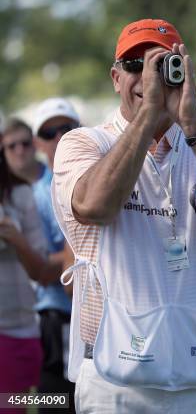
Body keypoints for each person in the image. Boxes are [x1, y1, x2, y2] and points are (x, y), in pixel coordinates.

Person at [51, 19, 196, 413]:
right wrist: (148, 115)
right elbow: (94, 206)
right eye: (134, 65)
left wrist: (193, 124)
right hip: (117, 377)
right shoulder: (83, 142)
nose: (146, 75)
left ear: (181, 71)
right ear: (116, 78)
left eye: (161, 63)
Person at [6, 98, 78, 412]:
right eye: (50, 132)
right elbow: (52, 273)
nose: (60, 137)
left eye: (67, 128)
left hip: (99, 319)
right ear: (41, 143)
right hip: (55, 318)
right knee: (52, 402)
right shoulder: (35, 194)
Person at [0, 118, 53, 413]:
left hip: (26, 328)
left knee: (27, 405)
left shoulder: (21, 194)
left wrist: (17, 240)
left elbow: (42, 268)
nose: (19, 151)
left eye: (24, 143)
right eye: (12, 145)